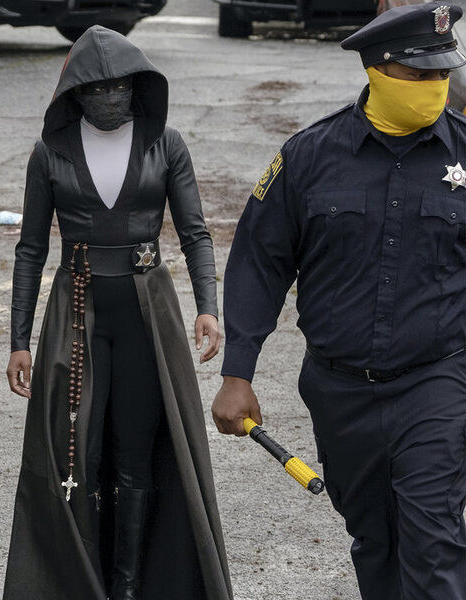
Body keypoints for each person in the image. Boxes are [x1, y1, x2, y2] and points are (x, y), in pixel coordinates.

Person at [212, 4, 466, 598]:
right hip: (339, 391)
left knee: (433, 539)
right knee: (375, 540)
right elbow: (258, 263)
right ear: (377, 70)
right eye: (418, 74)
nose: (435, 87)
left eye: (442, 73)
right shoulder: (308, 156)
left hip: (437, 382)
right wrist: (237, 373)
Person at [2, 25, 233, 600]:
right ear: (75, 92)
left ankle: (128, 587)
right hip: (76, 311)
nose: (109, 96)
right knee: (75, 453)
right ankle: (83, 583)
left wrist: (208, 308)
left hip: (146, 313)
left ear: (138, 85)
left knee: (136, 454)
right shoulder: (49, 152)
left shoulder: (166, 143)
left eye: (120, 86)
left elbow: (195, 233)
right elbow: (30, 249)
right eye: (96, 88)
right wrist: (19, 340)